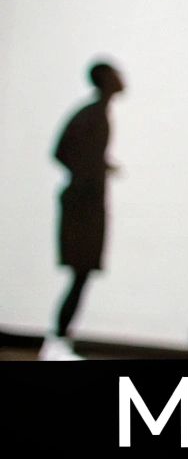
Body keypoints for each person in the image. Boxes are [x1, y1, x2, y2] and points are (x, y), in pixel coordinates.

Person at [41, 60, 125, 361]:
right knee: (80, 272)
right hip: (82, 205)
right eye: (116, 74)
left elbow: (69, 152)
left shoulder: (97, 114)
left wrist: (98, 167)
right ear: (104, 79)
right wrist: (86, 176)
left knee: (82, 274)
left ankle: (60, 338)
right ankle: (58, 339)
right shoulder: (91, 114)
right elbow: (61, 151)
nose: (122, 78)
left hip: (87, 202)